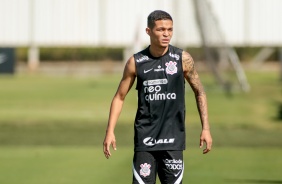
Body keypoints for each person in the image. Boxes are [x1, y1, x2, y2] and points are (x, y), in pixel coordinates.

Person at [103, 10, 212, 184]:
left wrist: (205, 128)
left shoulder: (182, 59)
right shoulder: (136, 62)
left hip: (173, 141)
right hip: (145, 141)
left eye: (170, 29)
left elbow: (200, 92)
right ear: (149, 31)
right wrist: (110, 131)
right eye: (161, 29)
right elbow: (119, 97)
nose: (166, 34)